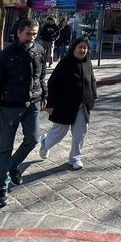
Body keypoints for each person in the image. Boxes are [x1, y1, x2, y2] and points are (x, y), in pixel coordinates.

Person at [0, 19, 47, 207]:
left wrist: (44, 94)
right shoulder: (6, 55)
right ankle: (1, 187)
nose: (32, 37)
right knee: (5, 147)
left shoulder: (40, 50)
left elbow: (41, 75)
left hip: (33, 103)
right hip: (10, 106)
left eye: (35, 34)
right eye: (28, 34)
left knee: (33, 139)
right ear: (19, 33)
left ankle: (11, 166)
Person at [39, 38, 97, 169]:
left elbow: (92, 80)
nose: (82, 50)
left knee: (80, 133)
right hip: (64, 105)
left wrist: (93, 96)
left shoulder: (88, 63)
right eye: (80, 47)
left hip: (82, 105)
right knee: (59, 132)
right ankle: (45, 144)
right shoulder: (65, 63)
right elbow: (52, 83)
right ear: (74, 48)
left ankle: (75, 158)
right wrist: (50, 104)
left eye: (85, 48)